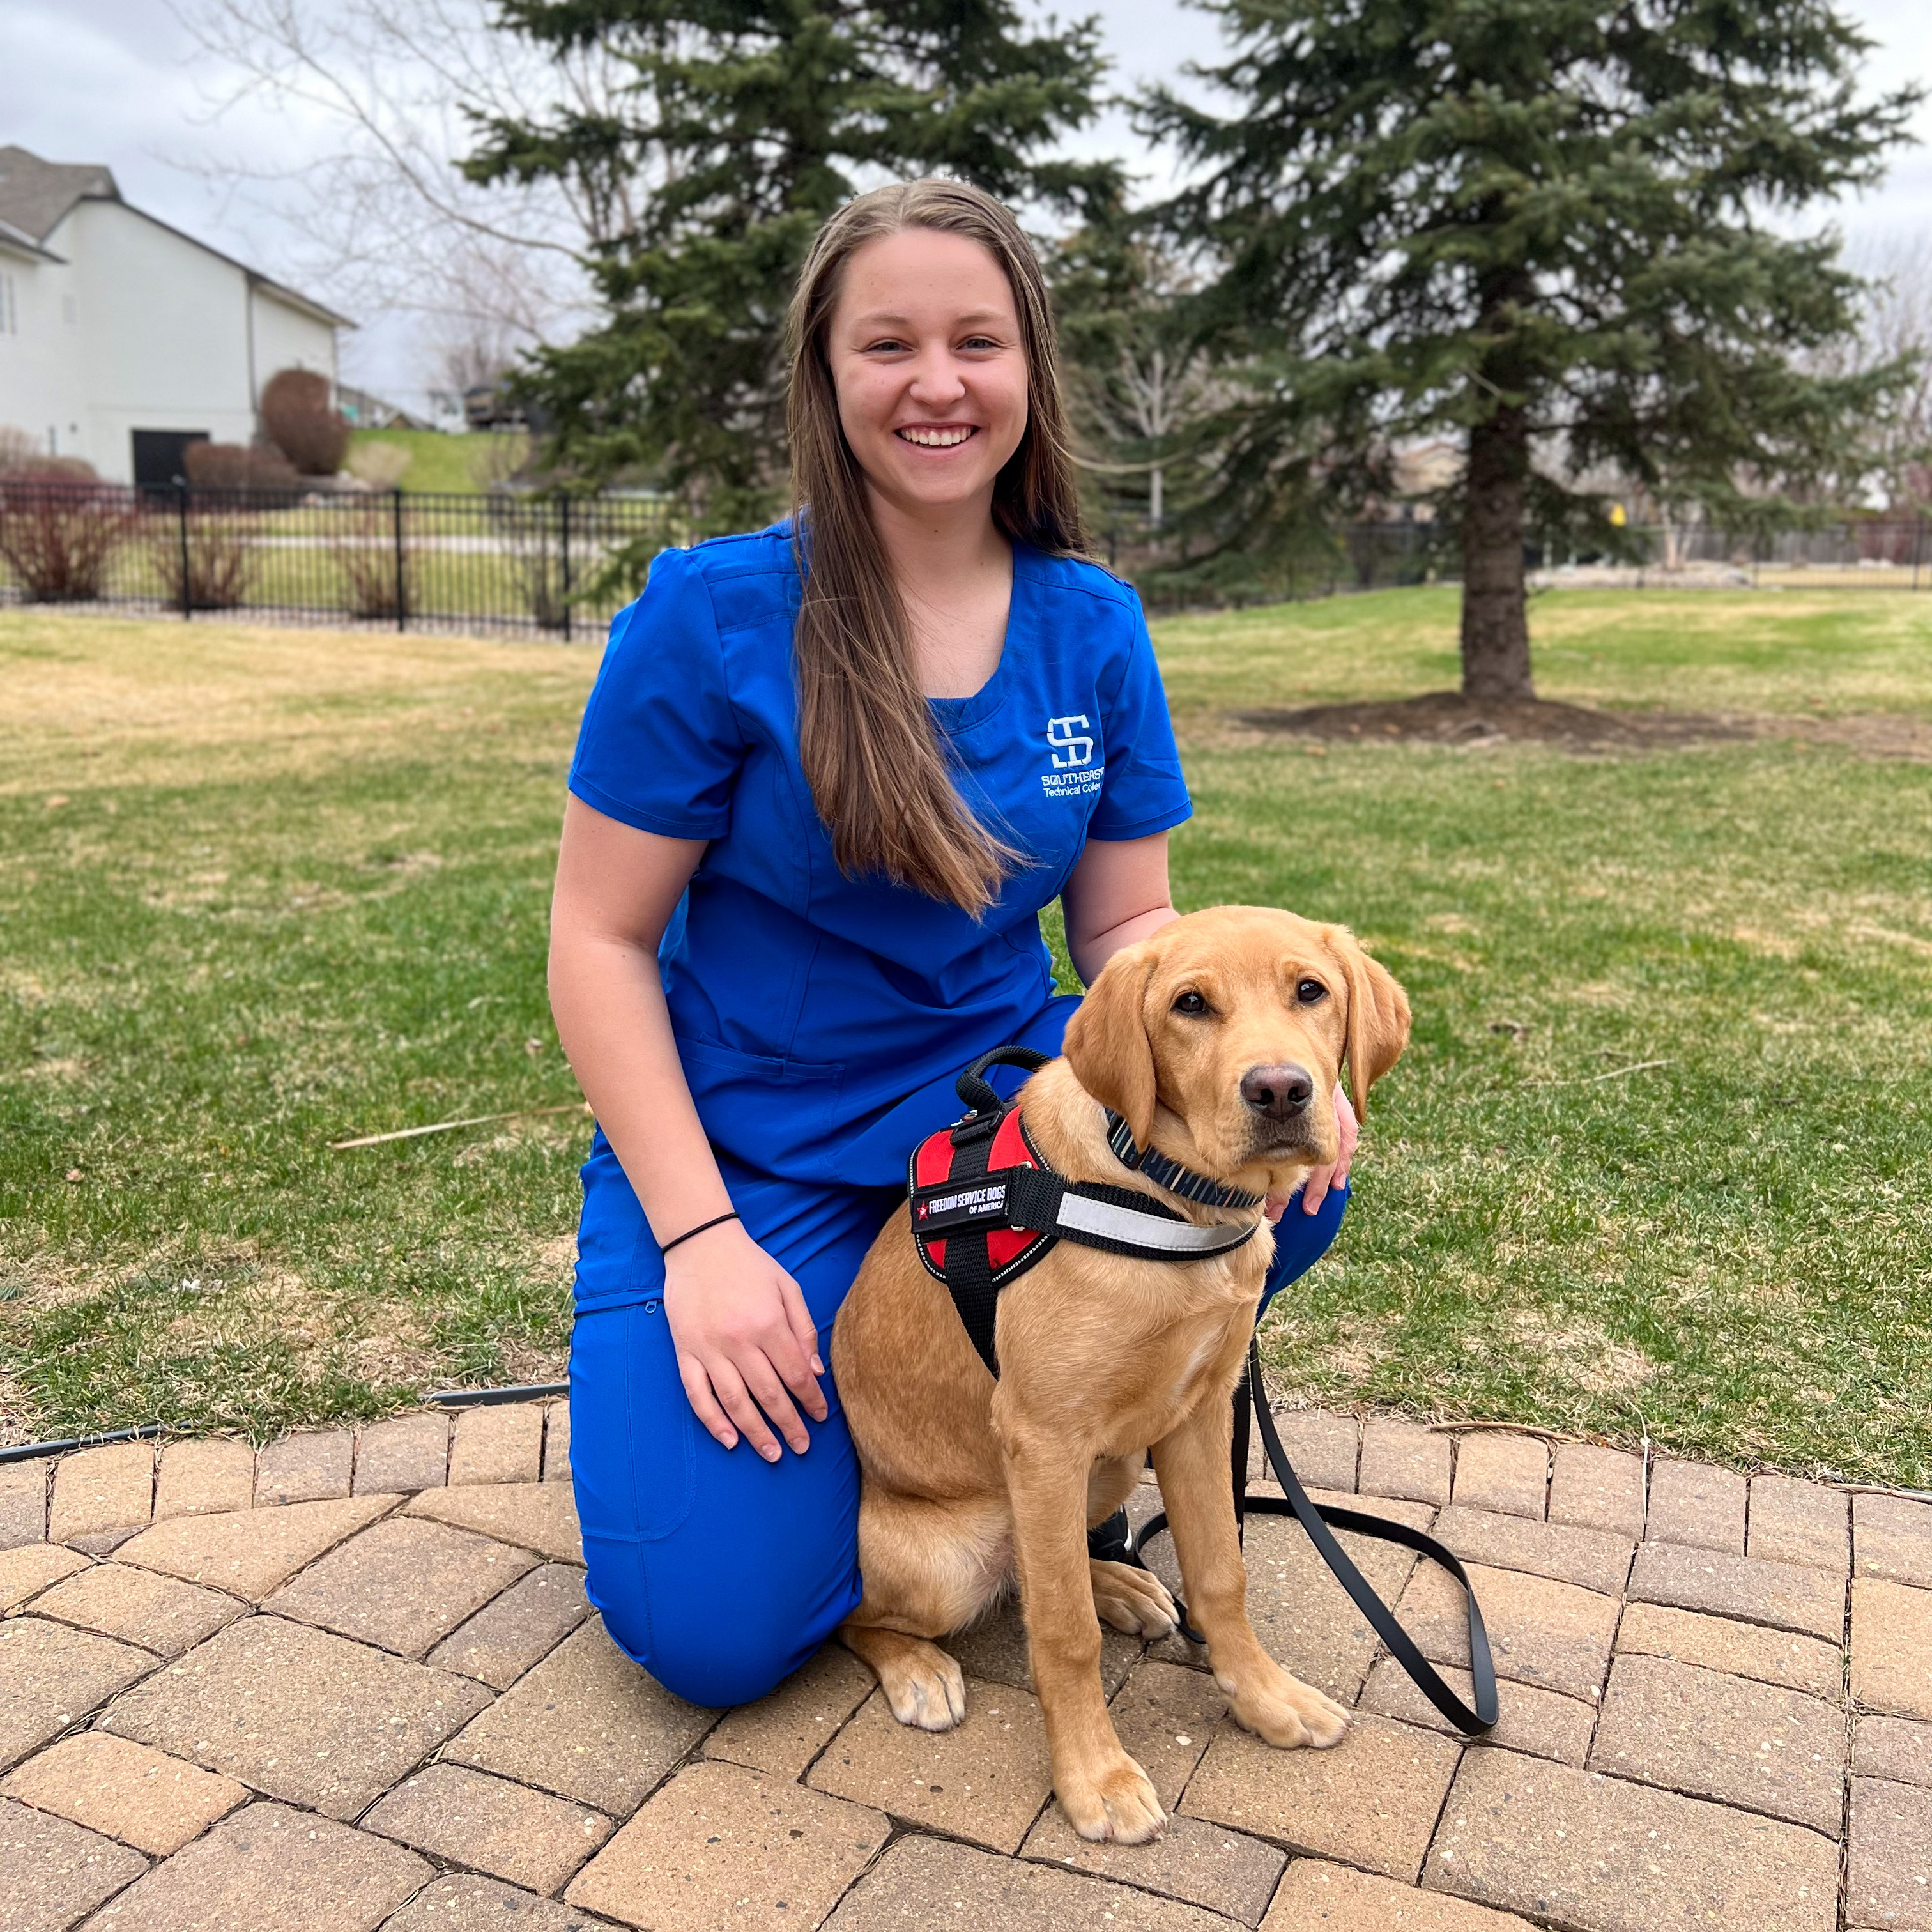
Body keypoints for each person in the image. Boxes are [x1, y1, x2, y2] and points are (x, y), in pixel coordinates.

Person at [547, 178, 1358, 1711]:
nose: (938, 383)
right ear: (826, 375)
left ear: (1030, 371)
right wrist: (701, 1245)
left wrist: (1270, 1051)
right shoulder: (714, 614)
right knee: (718, 1634)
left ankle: (1049, 1430)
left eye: (978, 341)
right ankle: (872, 1432)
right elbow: (596, 939)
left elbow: (1127, 924)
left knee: (1282, 1187)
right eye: (889, 344)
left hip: (987, 1103)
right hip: (759, 1150)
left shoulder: (1094, 623)